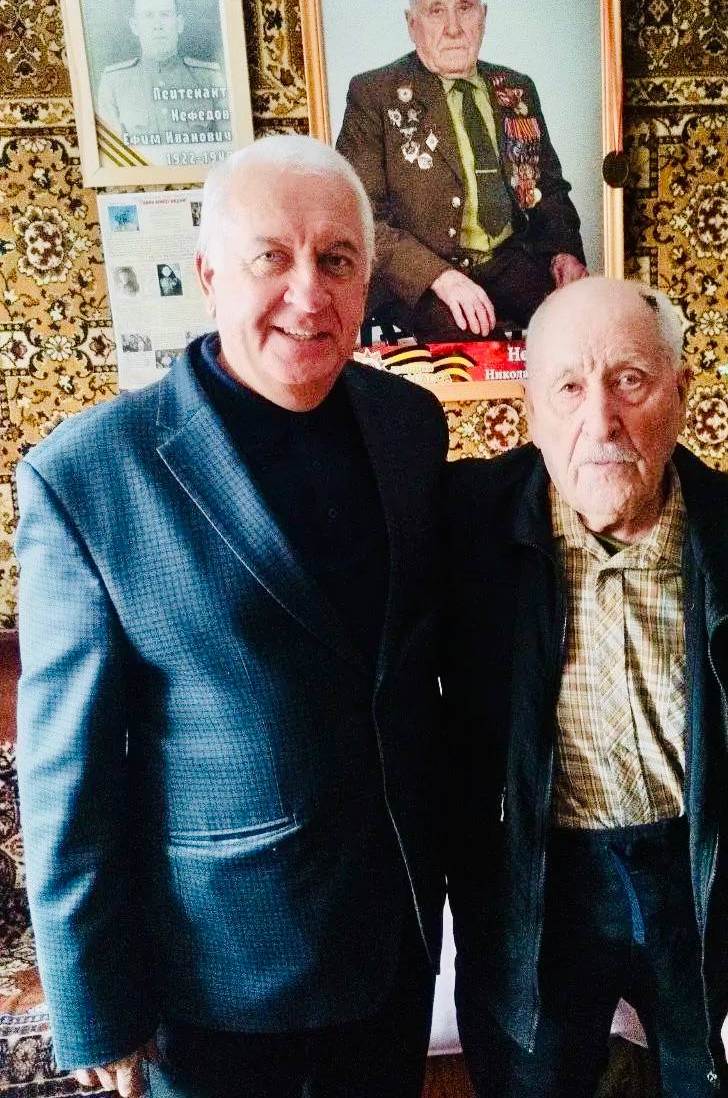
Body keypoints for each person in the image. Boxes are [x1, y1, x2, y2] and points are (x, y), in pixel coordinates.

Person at [16, 135, 448, 1098]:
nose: (308, 293)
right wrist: (97, 1004)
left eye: (336, 259)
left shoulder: (409, 426)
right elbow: (67, 776)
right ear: (209, 274)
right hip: (216, 982)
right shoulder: (88, 476)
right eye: (271, 258)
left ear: (367, 279)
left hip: (392, 945)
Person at [443, 277, 728, 1098]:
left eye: (630, 381)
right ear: (530, 409)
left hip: (709, 882)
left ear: (680, 391)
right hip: (529, 892)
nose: (600, 421)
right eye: (568, 388)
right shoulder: (460, 528)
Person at [336, 0, 588, 340]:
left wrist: (563, 252)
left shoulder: (517, 89)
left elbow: (548, 189)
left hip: (507, 262)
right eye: (436, 11)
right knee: (471, 334)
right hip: (421, 277)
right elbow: (362, 218)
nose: (453, 28)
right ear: (412, 23)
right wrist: (441, 277)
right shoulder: (374, 95)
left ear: (483, 16)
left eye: (465, 8)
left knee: (577, 324)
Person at [96, 0, 229, 157]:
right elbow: (114, 158)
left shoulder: (209, 77)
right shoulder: (113, 83)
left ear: (179, 24)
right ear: (135, 26)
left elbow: (229, 151)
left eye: (165, 15)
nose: (157, 25)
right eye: (148, 16)